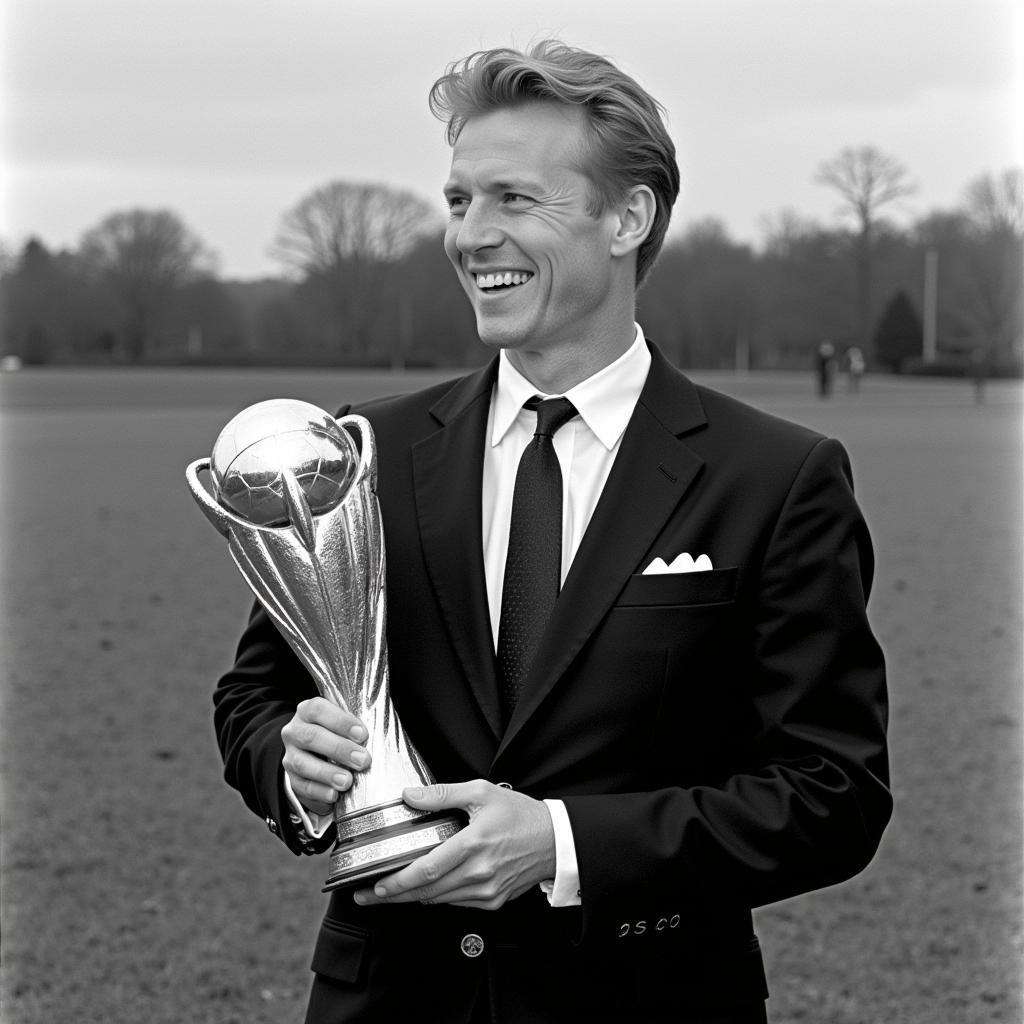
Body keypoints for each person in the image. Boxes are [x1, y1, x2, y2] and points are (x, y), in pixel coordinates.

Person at [213, 41, 891, 1024]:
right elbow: (257, 692)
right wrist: (294, 760)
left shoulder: (776, 477)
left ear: (628, 217)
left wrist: (563, 844)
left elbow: (831, 795)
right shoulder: (363, 451)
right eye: (457, 201)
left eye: (513, 200)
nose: (469, 235)